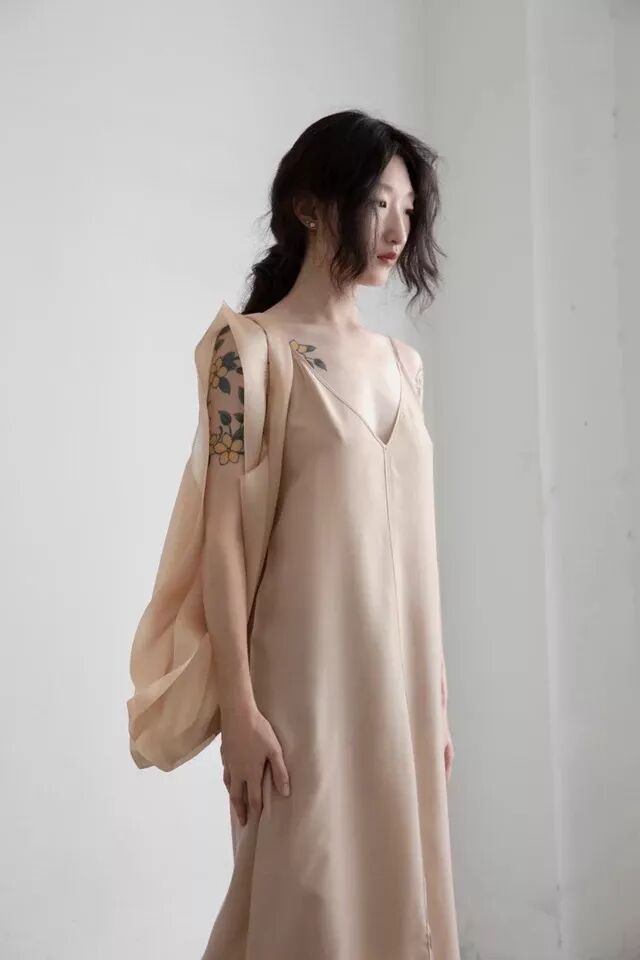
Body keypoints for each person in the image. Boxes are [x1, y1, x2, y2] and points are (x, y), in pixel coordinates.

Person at [131, 108, 460, 960]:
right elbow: (224, 540)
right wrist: (240, 710)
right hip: (299, 685)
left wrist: (436, 697)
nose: (398, 230)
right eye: (377, 203)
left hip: (402, 684)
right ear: (311, 207)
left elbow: (413, 543)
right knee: (300, 898)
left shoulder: (406, 366)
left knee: (402, 898)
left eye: (408, 209)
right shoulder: (246, 356)